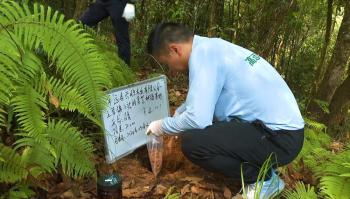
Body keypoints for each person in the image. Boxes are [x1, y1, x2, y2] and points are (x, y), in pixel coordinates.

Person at [145, 23, 304, 198]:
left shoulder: (204, 56)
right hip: (280, 133)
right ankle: (262, 169)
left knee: (193, 143)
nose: (171, 70)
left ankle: (264, 181)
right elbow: (206, 97)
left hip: (280, 139)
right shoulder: (211, 48)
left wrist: (161, 126)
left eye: (167, 64)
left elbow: (198, 120)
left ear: (175, 49)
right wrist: (182, 110)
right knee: (206, 130)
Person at [79, 0, 137, 65]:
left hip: (122, 3)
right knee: (80, 24)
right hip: (103, 1)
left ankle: (125, 71)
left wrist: (130, 4)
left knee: (122, 37)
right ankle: (81, 60)